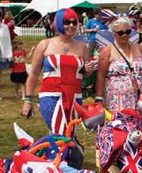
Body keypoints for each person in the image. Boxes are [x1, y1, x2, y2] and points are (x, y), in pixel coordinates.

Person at [22, 8, 95, 136]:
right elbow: (33, 74)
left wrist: (88, 71)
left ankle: (62, 156)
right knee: (59, 134)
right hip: (51, 96)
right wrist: (28, 100)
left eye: (74, 22)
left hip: (74, 98)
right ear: (58, 23)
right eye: (67, 22)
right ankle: (59, 155)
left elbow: (85, 74)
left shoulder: (82, 46)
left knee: (70, 134)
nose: (71, 25)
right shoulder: (45, 44)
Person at [94, 17, 142, 113]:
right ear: (114, 34)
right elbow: (101, 76)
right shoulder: (107, 51)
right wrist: (99, 98)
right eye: (120, 33)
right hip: (116, 101)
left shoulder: (138, 48)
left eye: (127, 32)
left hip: (138, 99)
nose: (124, 35)